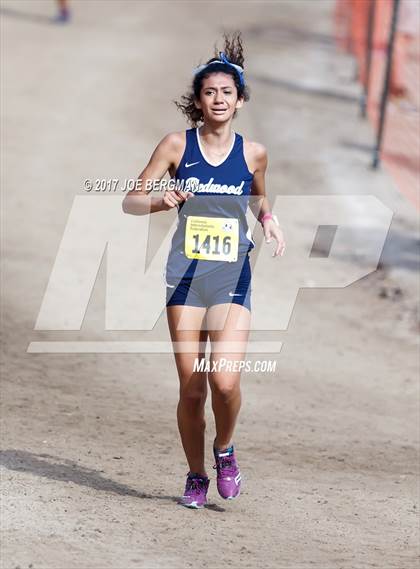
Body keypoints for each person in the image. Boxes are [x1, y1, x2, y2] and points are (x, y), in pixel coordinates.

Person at [122, 32, 285, 509]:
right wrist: (161, 199)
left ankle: (225, 450)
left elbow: (257, 195)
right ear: (197, 100)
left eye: (227, 93)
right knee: (192, 390)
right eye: (209, 92)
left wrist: (270, 221)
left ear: (239, 101)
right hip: (186, 280)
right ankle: (196, 475)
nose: (218, 99)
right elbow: (131, 200)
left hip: (231, 278)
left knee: (225, 382)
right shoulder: (176, 145)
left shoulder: (254, 152)